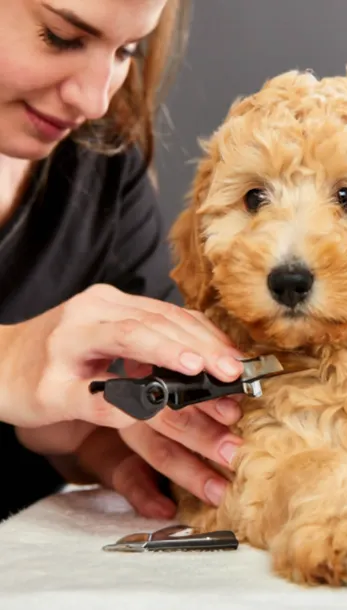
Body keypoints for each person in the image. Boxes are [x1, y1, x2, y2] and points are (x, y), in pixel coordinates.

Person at [0, 0, 245, 522]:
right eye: (60, 36)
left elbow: (115, 407)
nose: (94, 101)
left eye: (126, 50)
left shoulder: (103, 164)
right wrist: (11, 359)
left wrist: (94, 441)